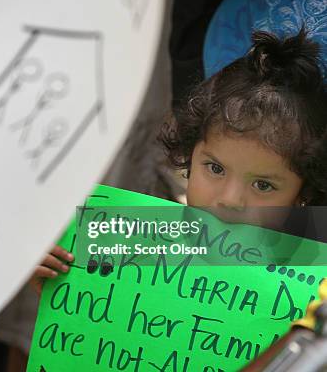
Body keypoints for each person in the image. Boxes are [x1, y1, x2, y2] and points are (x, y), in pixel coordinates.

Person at [30, 27, 327, 293]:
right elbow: (87, 324)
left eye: (263, 185)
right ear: (190, 154)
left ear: (304, 192)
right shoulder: (132, 247)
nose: (230, 199)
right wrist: (55, 279)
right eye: (215, 168)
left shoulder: (311, 287)